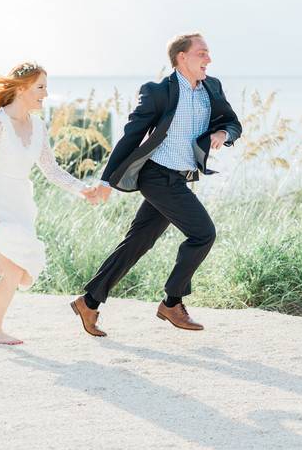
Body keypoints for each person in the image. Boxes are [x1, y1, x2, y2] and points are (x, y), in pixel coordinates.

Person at [71, 33, 242, 337]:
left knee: (138, 241)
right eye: (202, 53)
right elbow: (132, 135)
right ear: (182, 57)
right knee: (203, 233)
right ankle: (171, 302)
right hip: (156, 176)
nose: (208, 59)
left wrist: (222, 135)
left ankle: (89, 301)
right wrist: (107, 181)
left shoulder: (211, 87)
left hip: (179, 178)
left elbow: (232, 122)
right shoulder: (158, 92)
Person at [0, 63, 99, 344]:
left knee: (21, 274)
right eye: (40, 87)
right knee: (14, 271)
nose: (46, 93)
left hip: (20, 204)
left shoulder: (38, 126)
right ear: (21, 88)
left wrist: (84, 190)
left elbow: (51, 170)